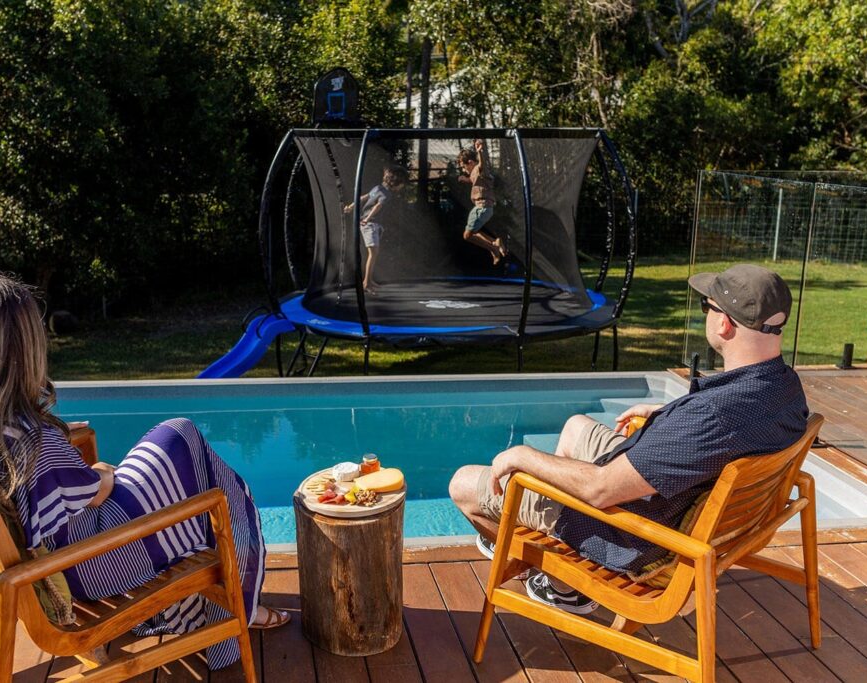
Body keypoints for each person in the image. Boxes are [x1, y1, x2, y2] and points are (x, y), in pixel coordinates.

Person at [0, 274, 288, 670]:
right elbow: (96, 490)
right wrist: (103, 473)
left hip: (53, 561)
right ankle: (236, 604)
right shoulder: (34, 444)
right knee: (188, 447)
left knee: (178, 446)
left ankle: (222, 599)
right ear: (21, 351)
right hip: (93, 567)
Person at [449, 264, 808, 613]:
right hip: (671, 499)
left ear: (725, 324)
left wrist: (522, 455)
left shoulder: (709, 418)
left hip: (634, 537)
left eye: (707, 306)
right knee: (576, 426)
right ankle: (560, 567)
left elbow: (600, 490)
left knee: (463, 484)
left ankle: (565, 585)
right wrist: (669, 414)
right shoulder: (784, 386)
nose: (706, 314)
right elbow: (718, 430)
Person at [345, 166, 405, 295]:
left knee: (373, 254)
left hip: (372, 224)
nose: (402, 187)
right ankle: (366, 283)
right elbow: (378, 205)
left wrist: (350, 207)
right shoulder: (386, 194)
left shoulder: (378, 188)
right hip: (370, 224)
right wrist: (367, 218)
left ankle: (369, 280)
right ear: (397, 183)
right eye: (402, 184)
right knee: (373, 254)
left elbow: (362, 197)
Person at [457, 139, 507, 265]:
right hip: (484, 208)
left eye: (464, 167)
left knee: (467, 236)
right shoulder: (475, 174)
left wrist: (480, 152)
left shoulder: (480, 169)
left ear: (470, 162)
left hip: (482, 207)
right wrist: (465, 179)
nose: (464, 170)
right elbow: (474, 180)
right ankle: (495, 242)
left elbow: (481, 165)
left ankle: (493, 248)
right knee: (474, 232)